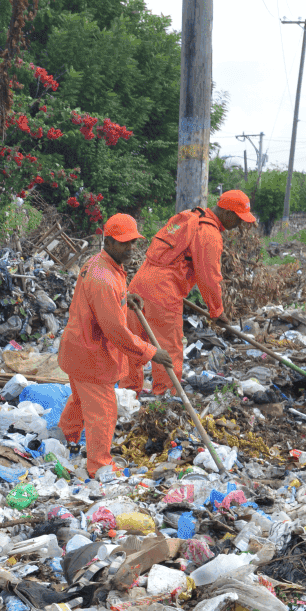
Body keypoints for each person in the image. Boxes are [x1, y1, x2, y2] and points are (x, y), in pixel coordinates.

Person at [121, 189, 256, 395]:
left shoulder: (190, 217)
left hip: (138, 285)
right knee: (168, 350)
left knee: (133, 346)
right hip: (163, 292)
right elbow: (209, 278)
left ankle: (126, 397)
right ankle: (165, 401)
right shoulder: (209, 233)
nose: (238, 226)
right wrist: (217, 312)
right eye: (238, 220)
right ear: (228, 213)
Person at [55, 214, 158, 480]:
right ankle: (99, 465)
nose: (130, 248)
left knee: (79, 399)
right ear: (108, 241)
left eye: (133, 242)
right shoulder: (104, 278)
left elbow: (107, 304)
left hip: (77, 349)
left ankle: (67, 438)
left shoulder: (99, 264)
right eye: (125, 243)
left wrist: (126, 298)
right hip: (92, 355)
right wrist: (153, 353)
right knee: (103, 412)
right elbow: (117, 333)